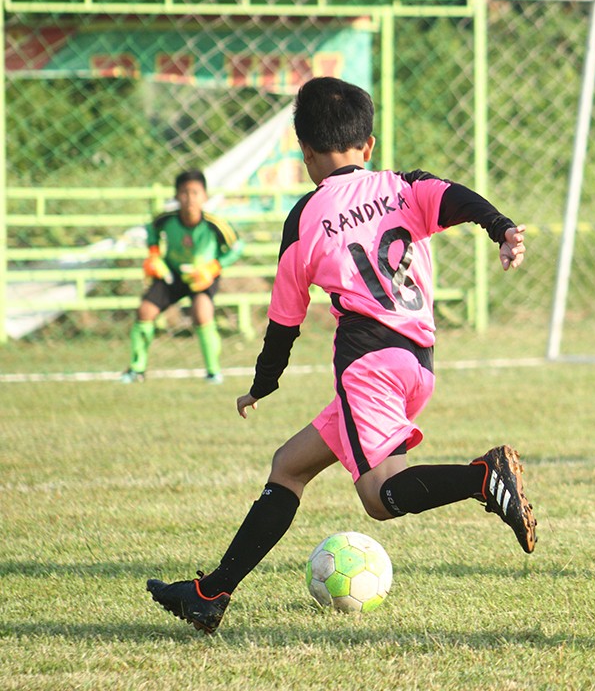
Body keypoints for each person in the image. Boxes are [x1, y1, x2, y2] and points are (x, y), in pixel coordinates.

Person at [146, 77, 536, 634]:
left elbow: (284, 320)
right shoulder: (404, 186)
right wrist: (501, 229)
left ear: (305, 153)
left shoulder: (305, 219)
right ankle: (210, 595)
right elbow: (459, 198)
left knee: (381, 498)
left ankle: (482, 478)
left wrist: (264, 382)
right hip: (416, 363)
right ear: (369, 146)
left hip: (367, 364)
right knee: (290, 465)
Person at [120, 170, 244, 384]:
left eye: (195, 192)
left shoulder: (215, 224)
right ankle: (136, 369)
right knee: (145, 310)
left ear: (205, 196)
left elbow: (237, 247)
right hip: (173, 274)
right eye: (184, 193)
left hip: (201, 277)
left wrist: (214, 266)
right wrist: (154, 254)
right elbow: (151, 231)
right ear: (176, 196)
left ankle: (213, 371)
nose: (189, 198)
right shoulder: (165, 220)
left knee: (202, 312)